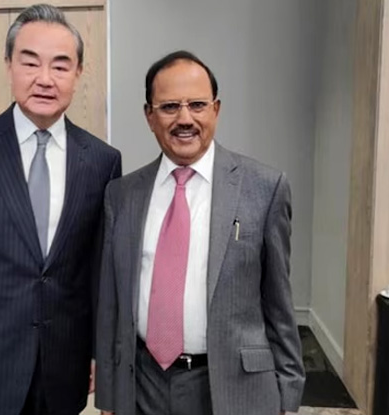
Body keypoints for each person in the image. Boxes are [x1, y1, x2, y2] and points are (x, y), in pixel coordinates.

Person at [0, 4, 121, 415]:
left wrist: (98, 353)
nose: (45, 79)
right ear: (9, 65)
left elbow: (98, 271)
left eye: (60, 66)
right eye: (30, 62)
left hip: (66, 358)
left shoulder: (102, 160)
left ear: (78, 73)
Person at [95, 51, 304, 415]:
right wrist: (109, 396)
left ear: (216, 109)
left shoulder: (264, 188)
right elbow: (111, 305)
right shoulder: (122, 195)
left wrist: (288, 393)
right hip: (143, 384)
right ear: (149, 116)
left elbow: (279, 305)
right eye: (169, 107)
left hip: (233, 387)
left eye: (197, 105)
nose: (185, 119)